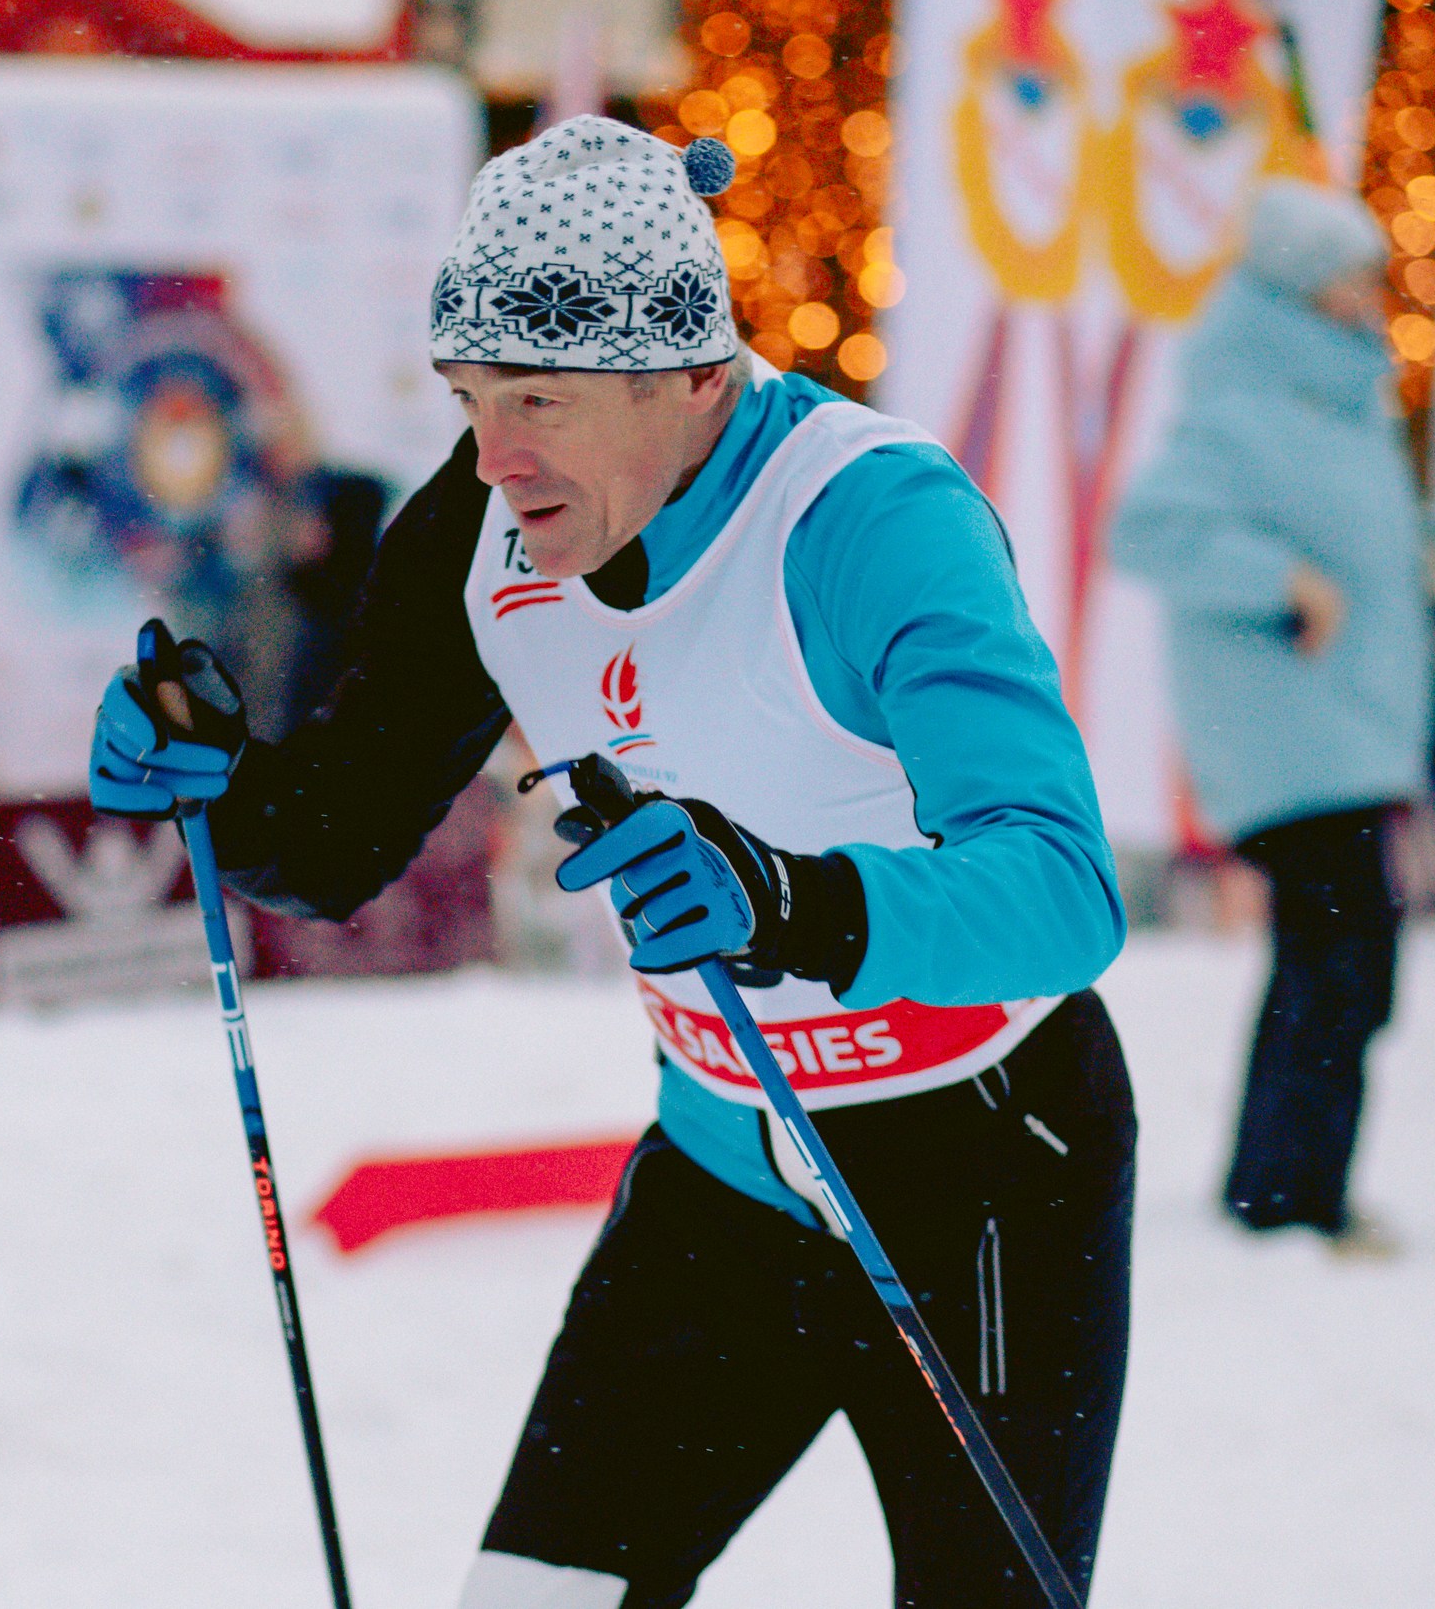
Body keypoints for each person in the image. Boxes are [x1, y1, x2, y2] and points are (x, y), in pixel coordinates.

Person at [91, 117, 1133, 1608]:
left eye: (540, 399)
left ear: (695, 378)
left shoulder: (867, 520)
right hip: (727, 1170)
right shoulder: (480, 528)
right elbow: (328, 842)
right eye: (466, 398)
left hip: (978, 1163)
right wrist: (216, 779)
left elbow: (1062, 890)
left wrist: (791, 898)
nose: (496, 455)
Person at [1110, 178, 1435, 1258]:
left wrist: (1429, 565)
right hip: (1288, 740)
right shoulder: (1245, 408)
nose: (1368, 295)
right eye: (1351, 275)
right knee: (1337, 967)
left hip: (1346, 727)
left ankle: (1285, 1191)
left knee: (1340, 967)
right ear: (1302, 288)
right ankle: (1289, 1202)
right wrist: (1279, 581)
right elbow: (1148, 529)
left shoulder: (1341, 411)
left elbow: (1347, 544)